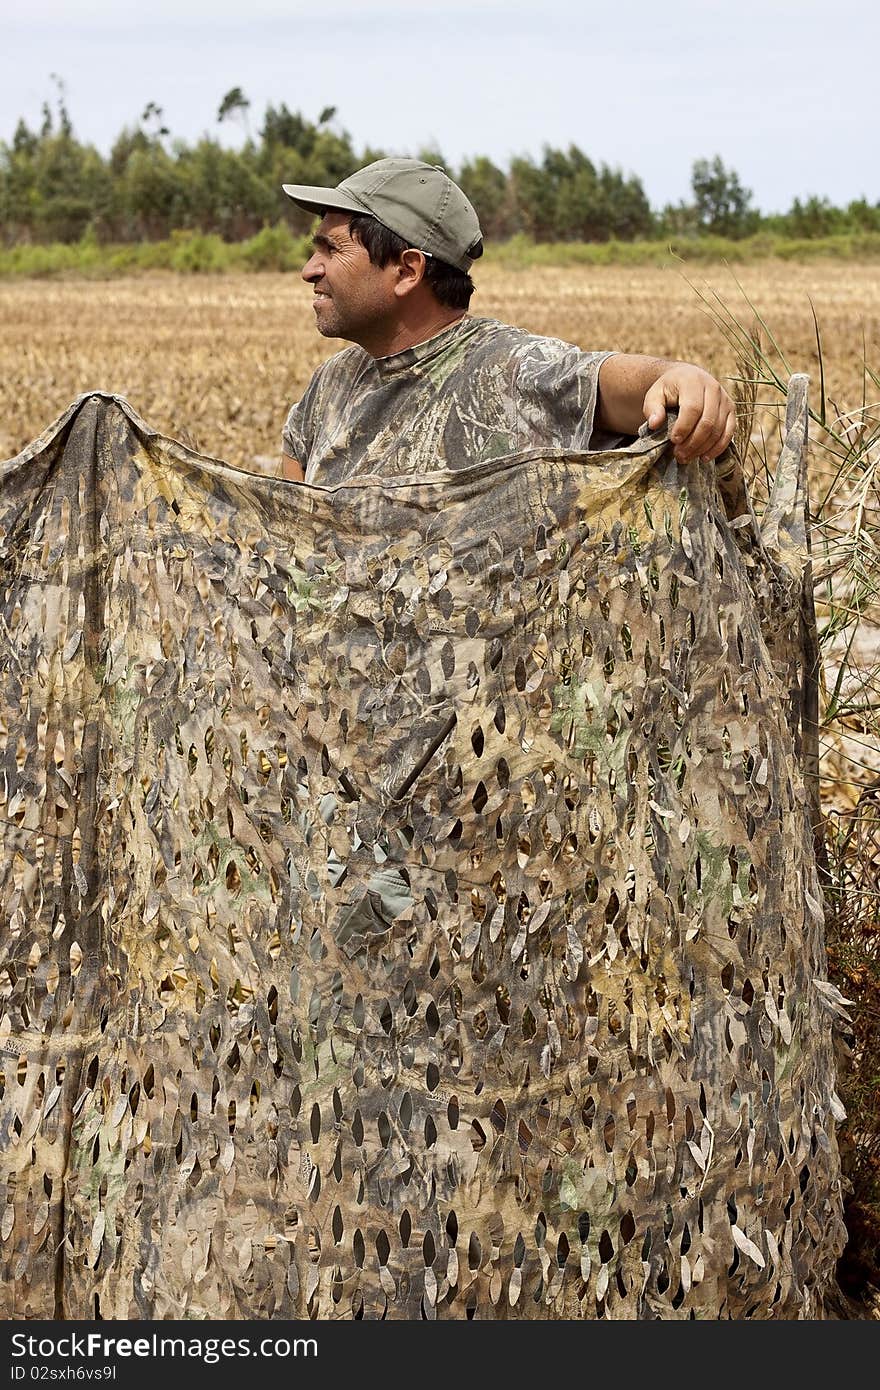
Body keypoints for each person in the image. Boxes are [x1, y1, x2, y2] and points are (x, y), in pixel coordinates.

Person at [280, 156, 736, 490]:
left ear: (407, 271)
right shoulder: (331, 387)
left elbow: (609, 385)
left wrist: (679, 379)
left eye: (331, 250)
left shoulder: (507, 369)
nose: (309, 269)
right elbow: (294, 539)